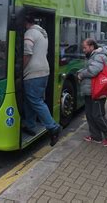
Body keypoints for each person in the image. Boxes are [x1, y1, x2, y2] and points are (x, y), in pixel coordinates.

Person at [22, 14, 61, 146]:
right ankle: (30, 125)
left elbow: (27, 53)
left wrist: (20, 69)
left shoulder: (30, 33)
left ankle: (53, 127)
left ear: (26, 22)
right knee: (30, 100)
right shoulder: (42, 33)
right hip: (44, 70)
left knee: (36, 101)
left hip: (33, 73)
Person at [77, 38, 107, 147]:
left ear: (92, 46)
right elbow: (87, 68)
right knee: (89, 114)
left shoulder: (99, 56)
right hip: (90, 90)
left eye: (85, 47)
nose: (83, 50)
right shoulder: (91, 56)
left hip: (98, 91)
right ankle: (96, 136)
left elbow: (93, 71)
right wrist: (80, 72)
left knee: (98, 115)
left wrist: (81, 74)